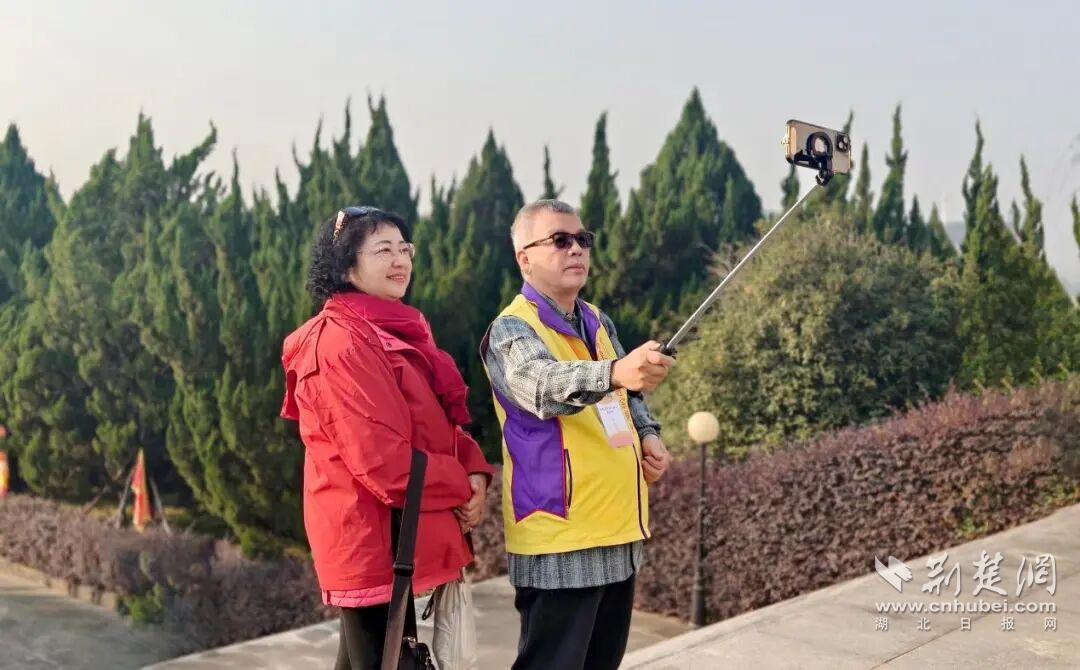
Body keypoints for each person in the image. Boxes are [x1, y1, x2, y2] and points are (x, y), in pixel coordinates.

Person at [280, 206, 494, 670]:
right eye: (382, 250)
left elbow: (432, 423)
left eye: (404, 248)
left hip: (398, 535)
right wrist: (460, 485)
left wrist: (475, 470)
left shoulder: (394, 328)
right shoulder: (339, 344)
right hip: (371, 539)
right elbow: (385, 463)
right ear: (345, 266)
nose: (400, 260)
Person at [480, 199, 676, 670]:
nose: (576, 250)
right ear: (524, 258)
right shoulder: (511, 330)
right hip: (559, 536)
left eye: (583, 239)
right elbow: (541, 387)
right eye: (560, 240)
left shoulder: (597, 320)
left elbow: (628, 395)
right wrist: (615, 371)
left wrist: (649, 434)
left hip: (617, 529)